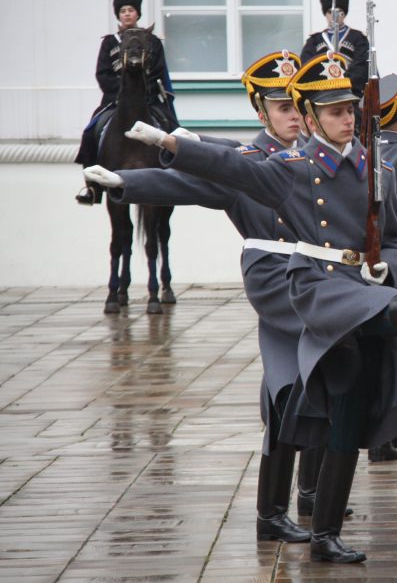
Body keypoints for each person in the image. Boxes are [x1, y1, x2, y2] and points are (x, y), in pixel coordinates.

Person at [123, 54, 397, 564]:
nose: (344, 120)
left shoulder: (375, 168)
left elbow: (394, 241)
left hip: (356, 285)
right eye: (332, 112)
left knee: (345, 399)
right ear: (309, 116)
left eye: (349, 111)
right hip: (304, 286)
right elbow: (216, 171)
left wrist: (388, 267)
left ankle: (323, 532)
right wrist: (161, 152)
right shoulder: (287, 169)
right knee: (303, 380)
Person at [83, 50, 322, 543]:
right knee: (289, 391)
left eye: (298, 106)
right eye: (282, 108)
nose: (294, 116)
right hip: (281, 285)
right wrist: (126, 181)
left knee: (320, 389)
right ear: (262, 114)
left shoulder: (316, 156)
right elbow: (183, 182)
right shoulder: (244, 161)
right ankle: (274, 512)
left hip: (326, 281)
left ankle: (312, 497)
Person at [74, 0, 177, 204]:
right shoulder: (110, 42)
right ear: (118, 16)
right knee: (91, 130)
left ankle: (178, 174)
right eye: (123, 11)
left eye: (130, 10)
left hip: (148, 100)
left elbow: (157, 71)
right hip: (115, 100)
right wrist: (120, 93)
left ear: (137, 14)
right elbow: (103, 73)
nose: (127, 14)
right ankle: (92, 187)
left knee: (172, 127)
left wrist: (142, 92)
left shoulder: (153, 41)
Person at [300, 0, 369, 96]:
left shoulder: (358, 38)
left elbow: (361, 66)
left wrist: (344, 83)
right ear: (325, 13)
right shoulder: (314, 41)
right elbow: (306, 67)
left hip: (351, 93)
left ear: (344, 13)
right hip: (322, 93)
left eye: (338, 12)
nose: (334, 15)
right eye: (330, 12)